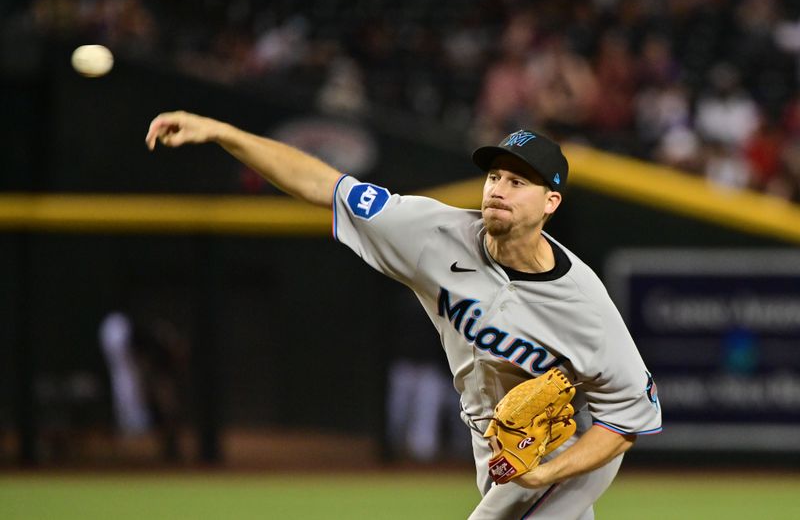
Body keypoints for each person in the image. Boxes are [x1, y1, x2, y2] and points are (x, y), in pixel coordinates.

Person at [145, 113, 662, 519]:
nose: (499, 188)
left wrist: (548, 475)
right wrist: (222, 132)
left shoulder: (585, 304)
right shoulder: (430, 233)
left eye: (519, 181)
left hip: (554, 455)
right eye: (495, 175)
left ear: (551, 201)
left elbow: (627, 418)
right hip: (496, 450)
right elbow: (321, 184)